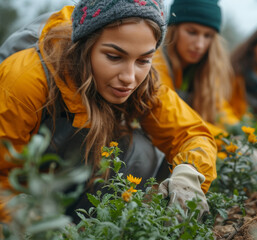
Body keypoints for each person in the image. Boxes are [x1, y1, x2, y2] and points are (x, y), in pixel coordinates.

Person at [0, 0, 216, 222]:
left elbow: (192, 133)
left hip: (72, 185)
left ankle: (92, 224)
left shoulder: (144, 83)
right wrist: (29, 223)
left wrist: (189, 176)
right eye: (114, 57)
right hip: (26, 197)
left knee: (142, 151)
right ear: (85, 44)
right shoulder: (25, 79)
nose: (129, 78)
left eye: (143, 60)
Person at [152, 0, 239, 137]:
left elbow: (220, 110)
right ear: (174, 28)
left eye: (208, 36)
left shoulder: (207, 70)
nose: (199, 44)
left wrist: (240, 133)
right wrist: (226, 140)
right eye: (192, 32)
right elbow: (167, 113)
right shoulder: (154, 61)